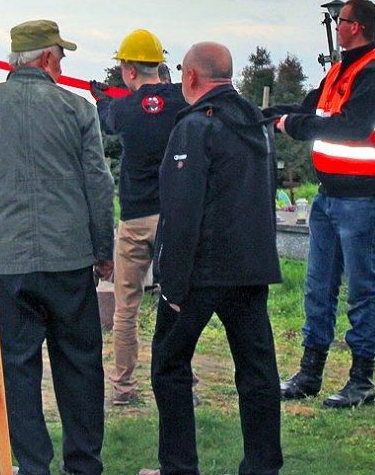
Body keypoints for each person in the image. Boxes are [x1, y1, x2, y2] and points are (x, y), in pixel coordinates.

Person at [0, 19, 115, 475]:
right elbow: (98, 184)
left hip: (7, 261)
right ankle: (83, 465)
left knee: (17, 369)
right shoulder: (78, 109)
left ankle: (33, 466)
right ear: (45, 58)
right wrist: (104, 249)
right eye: (60, 56)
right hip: (69, 259)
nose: (62, 65)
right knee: (80, 366)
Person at [143, 42, 283, 475]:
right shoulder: (254, 124)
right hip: (249, 265)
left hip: (202, 270)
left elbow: (182, 209)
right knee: (257, 373)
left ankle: (178, 466)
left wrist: (173, 281)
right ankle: (263, 465)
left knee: (169, 367)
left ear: (189, 77)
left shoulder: (195, 127)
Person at [271, 0, 375, 408]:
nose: (335, 25)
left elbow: (351, 127)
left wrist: (296, 126)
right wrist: (266, 115)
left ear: (356, 27)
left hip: (363, 196)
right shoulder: (341, 70)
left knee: (361, 289)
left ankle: (361, 380)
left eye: (340, 20)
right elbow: (311, 108)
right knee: (318, 285)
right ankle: (310, 373)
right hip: (330, 196)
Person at [89, 29, 188, 406]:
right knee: (177, 303)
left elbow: (107, 119)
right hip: (172, 216)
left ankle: (123, 387)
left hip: (133, 218)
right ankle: (184, 380)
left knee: (125, 308)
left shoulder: (125, 107)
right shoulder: (180, 99)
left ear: (129, 70)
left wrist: (99, 97)